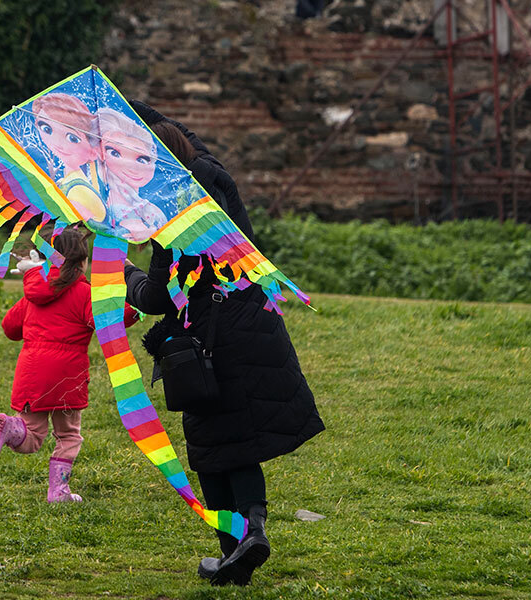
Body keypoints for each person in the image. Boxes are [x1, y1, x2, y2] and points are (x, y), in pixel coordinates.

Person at [124, 102, 325, 586]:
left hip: (205, 340)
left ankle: (232, 550)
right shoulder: (210, 173)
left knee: (212, 448)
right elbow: (181, 132)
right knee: (240, 440)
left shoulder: (169, 215)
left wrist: (124, 274)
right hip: (253, 322)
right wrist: (124, 105)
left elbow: (156, 298)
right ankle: (253, 529)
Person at [0, 227, 139, 503]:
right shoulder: (84, 293)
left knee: (32, 436)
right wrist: (136, 308)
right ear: (82, 262)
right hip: (67, 378)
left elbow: (9, 327)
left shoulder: (33, 293)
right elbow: (106, 322)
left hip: (31, 375)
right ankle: (58, 491)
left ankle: (11, 427)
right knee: (68, 436)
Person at [95, 107, 167, 242]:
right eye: (114, 153)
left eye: (142, 159)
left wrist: (151, 232)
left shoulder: (153, 212)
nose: (129, 165)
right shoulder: (97, 204)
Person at [32, 93, 107, 222]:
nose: (57, 143)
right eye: (47, 129)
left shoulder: (77, 189)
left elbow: (91, 222)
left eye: (73, 138)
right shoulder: (68, 180)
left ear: (93, 151)